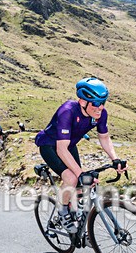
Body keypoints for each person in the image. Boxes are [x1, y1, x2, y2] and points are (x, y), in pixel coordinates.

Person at [35, 77, 124, 232]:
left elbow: (104, 137)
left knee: (82, 186)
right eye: (95, 103)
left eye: (103, 102)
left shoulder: (100, 114)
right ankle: (62, 211)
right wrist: (80, 173)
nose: (100, 107)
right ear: (83, 102)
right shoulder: (67, 111)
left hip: (69, 145)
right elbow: (61, 149)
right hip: (50, 145)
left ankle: (76, 218)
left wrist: (115, 159)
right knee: (72, 178)